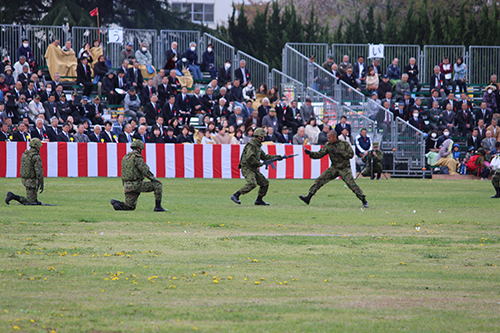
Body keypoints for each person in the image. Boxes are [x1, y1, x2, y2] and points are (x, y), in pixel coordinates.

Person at [300, 130, 368, 207]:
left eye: (329, 138)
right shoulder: (328, 145)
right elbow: (319, 154)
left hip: (344, 168)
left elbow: (351, 155)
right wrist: (310, 153)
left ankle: (364, 200)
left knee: (351, 184)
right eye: (327, 138)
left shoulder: (344, 144)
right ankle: (308, 197)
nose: (328, 139)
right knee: (320, 180)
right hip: (334, 167)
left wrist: (340, 152)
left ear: (335, 137)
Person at [230, 128, 283, 206]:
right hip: (247, 167)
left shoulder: (257, 146)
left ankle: (259, 200)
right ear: (259, 137)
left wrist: (277, 157)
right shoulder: (252, 145)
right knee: (252, 183)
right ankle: (236, 195)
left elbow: (265, 156)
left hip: (253, 167)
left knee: (265, 183)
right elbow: (249, 157)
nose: (264, 138)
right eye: (263, 137)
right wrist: (258, 163)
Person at [111, 140, 166, 212]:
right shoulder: (137, 157)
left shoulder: (126, 157)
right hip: (136, 184)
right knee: (157, 185)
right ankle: (158, 207)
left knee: (130, 207)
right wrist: (154, 179)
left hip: (127, 185)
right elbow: (145, 170)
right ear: (139, 149)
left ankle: (117, 203)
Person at [5, 138, 46, 205]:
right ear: (37, 147)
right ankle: (13, 196)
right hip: (31, 180)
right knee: (31, 202)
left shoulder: (25, 154)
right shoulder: (35, 156)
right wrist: (41, 182)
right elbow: (39, 171)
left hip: (25, 178)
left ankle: (34, 200)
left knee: (33, 199)